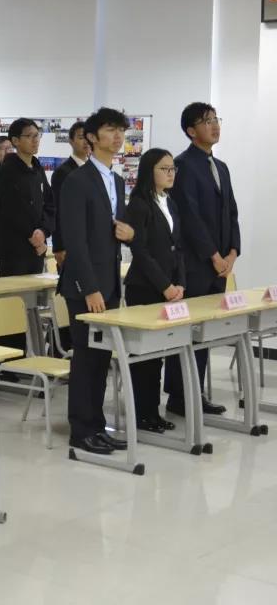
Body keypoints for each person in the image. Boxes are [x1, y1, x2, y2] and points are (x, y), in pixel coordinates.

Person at [59, 107, 134, 455]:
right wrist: (90, 288)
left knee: (102, 358)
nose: (117, 136)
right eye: (110, 129)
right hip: (84, 286)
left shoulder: (116, 180)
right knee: (85, 358)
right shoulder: (78, 181)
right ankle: (81, 429)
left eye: (121, 130)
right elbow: (74, 241)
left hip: (109, 281)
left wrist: (127, 233)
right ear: (91, 137)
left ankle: (97, 425)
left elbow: (113, 230)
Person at [164, 102, 239, 417]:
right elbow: (190, 218)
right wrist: (213, 255)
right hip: (195, 264)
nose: (214, 125)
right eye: (207, 121)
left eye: (215, 119)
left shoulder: (220, 166)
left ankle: (195, 393)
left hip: (220, 265)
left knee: (205, 332)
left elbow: (231, 211)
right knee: (187, 331)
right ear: (191, 130)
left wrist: (232, 252)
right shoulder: (182, 165)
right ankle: (179, 396)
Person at [124, 148, 185, 433]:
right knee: (144, 358)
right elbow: (141, 251)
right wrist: (165, 286)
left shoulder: (170, 202)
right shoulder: (139, 204)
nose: (170, 174)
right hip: (145, 288)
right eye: (164, 169)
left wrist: (180, 283)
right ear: (150, 171)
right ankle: (142, 413)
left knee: (159, 352)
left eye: (173, 169)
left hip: (170, 287)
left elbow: (178, 247)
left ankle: (153, 412)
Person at [0, 118, 54, 276]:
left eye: (37, 135)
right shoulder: (8, 170)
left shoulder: (37, 167)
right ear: (15, 140)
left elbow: (49, 203)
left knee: (36, 288)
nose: (35, 140)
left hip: (38, 244)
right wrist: (33, 236)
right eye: (29, 136)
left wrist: (43, 231)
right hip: (15, 247)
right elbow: (11, 209)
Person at [50, 121, 88, 268]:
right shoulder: (63, 172)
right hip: (70, 242)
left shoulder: (95, 170)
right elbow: (57, 210)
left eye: (89, 137)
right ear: (71, 141)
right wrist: (59, 246)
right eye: (81, 137)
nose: (86, 142)